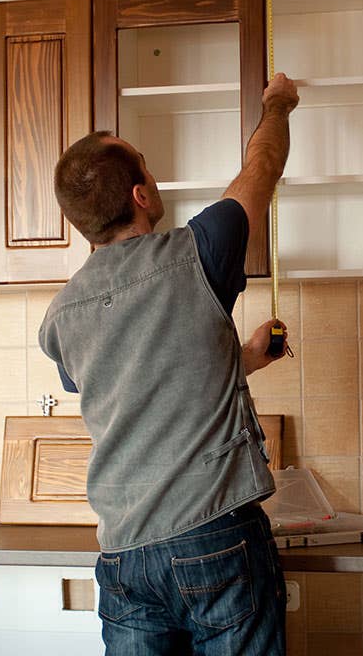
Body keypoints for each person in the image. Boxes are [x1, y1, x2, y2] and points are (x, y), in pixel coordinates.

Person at [39, 73, 301, 655]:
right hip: (216, 537)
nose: (154, 179)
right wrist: (277, 105)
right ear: (140, 196)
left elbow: (138, 382)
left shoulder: (59, 319)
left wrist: (243, 362)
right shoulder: (199, 252)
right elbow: (261, 170)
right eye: (146, 169)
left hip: (125, 557)